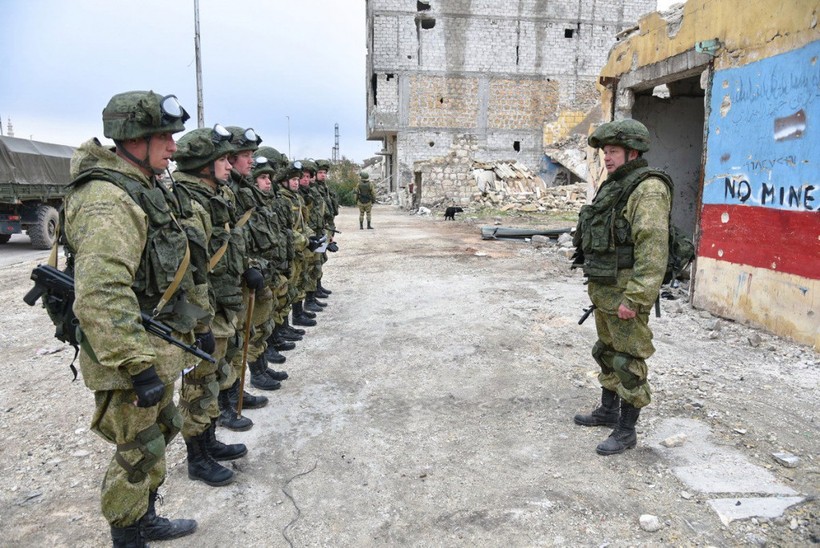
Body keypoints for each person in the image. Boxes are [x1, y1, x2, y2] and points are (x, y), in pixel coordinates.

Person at [63, 91, 200, 546]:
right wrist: (138, 366)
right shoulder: (108, 198)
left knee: (157, 437)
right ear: (132, 138)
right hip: (128, 357)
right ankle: (127, 536)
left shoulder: (142, 186)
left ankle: (144, 518)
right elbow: (102, 293)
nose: (173, 147)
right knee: (135, 451)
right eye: (163, 135)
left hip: (151, 347)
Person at [172, 125, 267, 486]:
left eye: (231, 159)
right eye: (222, 160)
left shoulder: (212, 196)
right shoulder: (190, 203)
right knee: (199, 384)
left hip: (220, 302)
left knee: (212, 379)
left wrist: (246, 270)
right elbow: (189, 270)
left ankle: (209, 442)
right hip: (203, 311)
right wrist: (200, 325)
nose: (229, 166)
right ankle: (197, 457)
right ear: (202, 165)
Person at [571, 118, 672, 456]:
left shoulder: (648, 188)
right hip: (606, 291)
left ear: (632, 152)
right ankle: (608, 411)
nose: (607, 158)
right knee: (607, 352)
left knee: (628, 361)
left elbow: (653, 250)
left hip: (627, 295)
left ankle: (626, 432)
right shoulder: (616, 185)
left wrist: (638, 298)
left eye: (612, 151)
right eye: (604, 152)